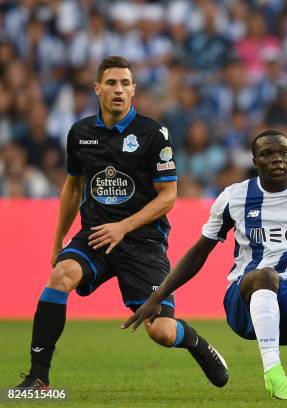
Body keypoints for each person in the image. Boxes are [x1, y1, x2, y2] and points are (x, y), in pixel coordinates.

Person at [15, 56, 228, 389]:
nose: (119, 90)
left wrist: (124, 226)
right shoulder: (80, 133)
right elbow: (72, 187)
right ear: (97, 88)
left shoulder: (153, 134)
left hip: (142, 242)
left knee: (161, 332)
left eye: (125, 83)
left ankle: (196, 342)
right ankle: (38, 377)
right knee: (60, 276)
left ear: (133, 90)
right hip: (96, 236)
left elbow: (168, 197)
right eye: (112, 83)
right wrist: (58, 241)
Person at [123, 130, 287, 400]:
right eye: (267, 154)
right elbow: (198, 253)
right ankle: (273, 374)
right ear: (255, 161)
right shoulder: (234, 197)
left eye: (283, 153)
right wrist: (158, 296)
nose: (277, 159)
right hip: (244, 300)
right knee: (264, 275)